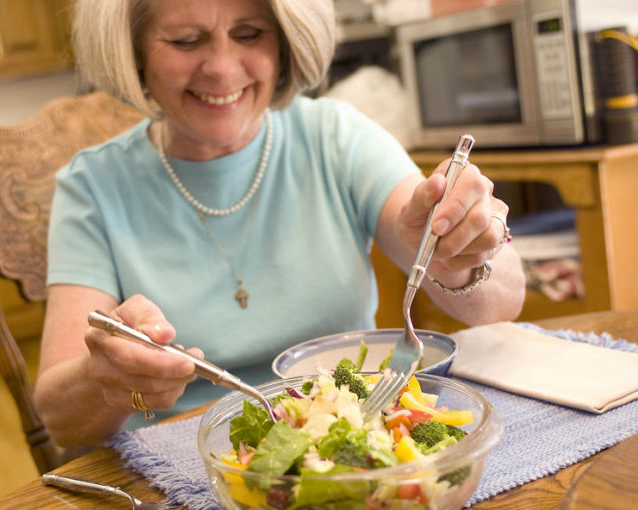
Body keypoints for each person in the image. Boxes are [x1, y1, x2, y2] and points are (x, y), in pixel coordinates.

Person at [33, 0, 526, 447]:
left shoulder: (337, 137)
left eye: (249, 34)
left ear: (286, 42)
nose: (223, 69)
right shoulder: (93, 187)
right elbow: (61, 419)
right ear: (134, 52)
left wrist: (459, 249)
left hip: (350, 444)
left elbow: (503, 302)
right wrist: (112, 378)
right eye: (186, 40)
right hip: (177, 464)